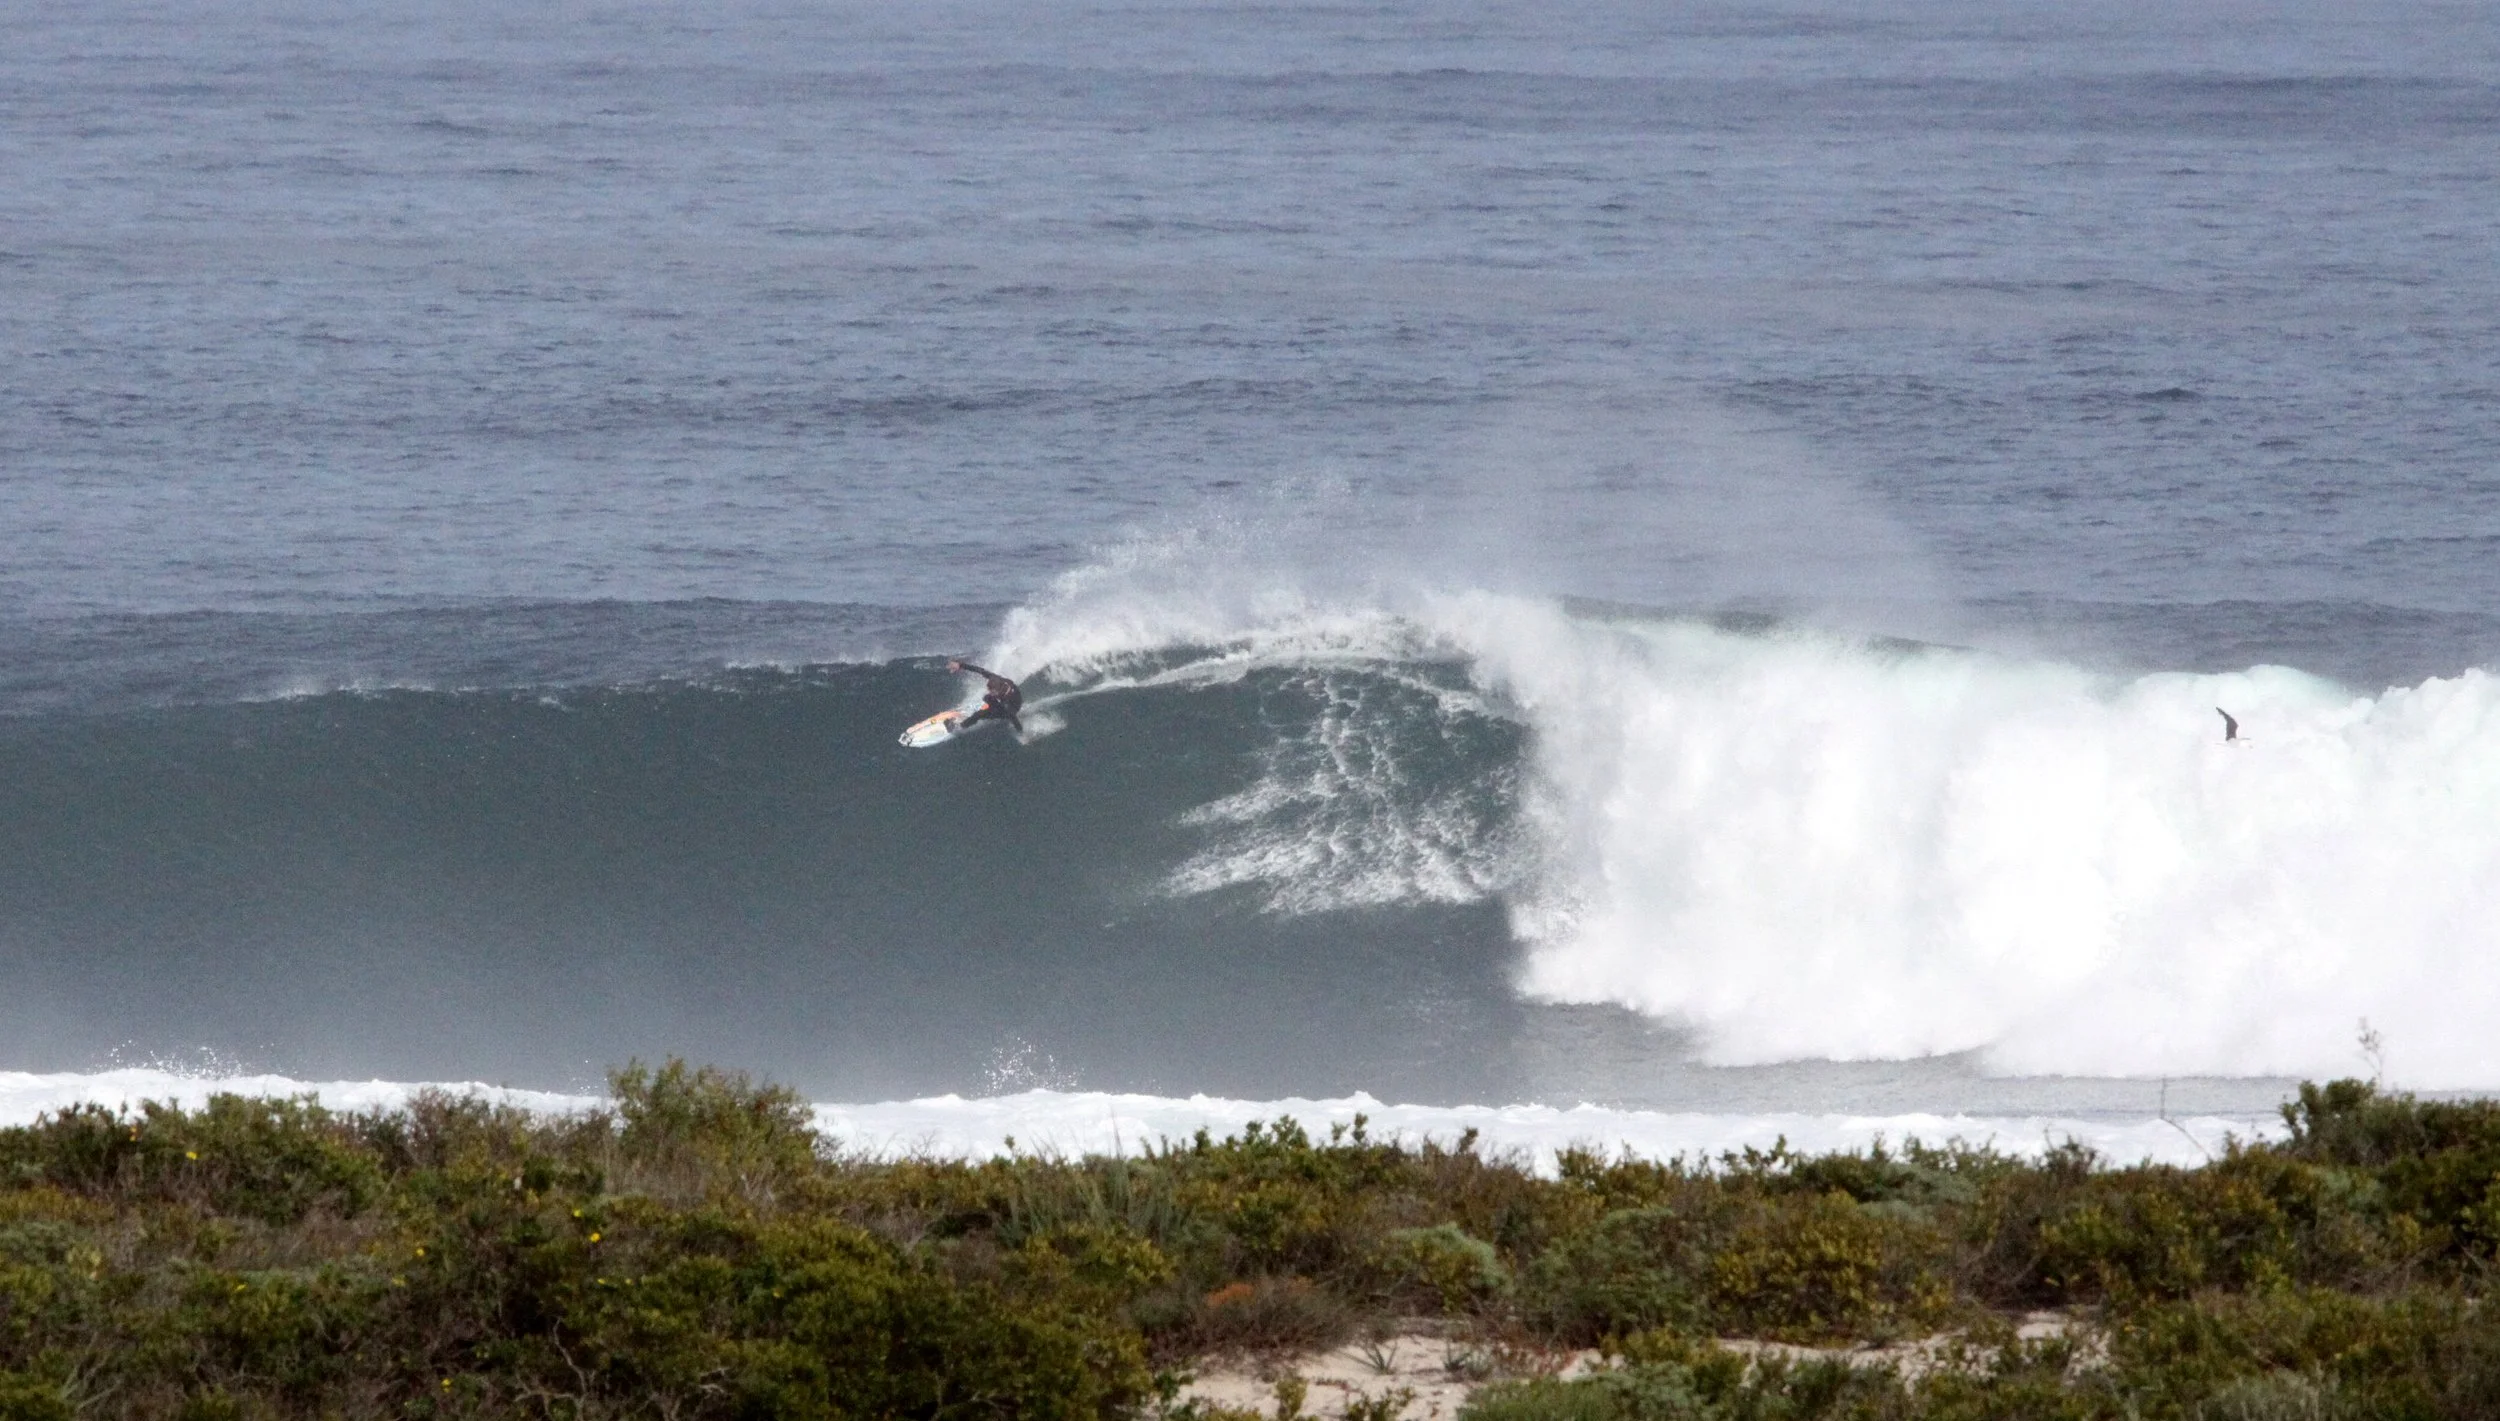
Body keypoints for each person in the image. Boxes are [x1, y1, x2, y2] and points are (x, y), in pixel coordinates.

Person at [949, 660, 1023, 734]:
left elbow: (1014, 718)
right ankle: (975, 711)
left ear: (998, 690)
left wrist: (1021, 734)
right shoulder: (994, 678)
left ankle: (959, 727)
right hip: (1008, 696)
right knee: (986, 697)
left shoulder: (1006, 703)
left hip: (1013, 706)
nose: (989, 691)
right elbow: (979, 670)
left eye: (992, 691)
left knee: (979, 714)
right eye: (989, 690)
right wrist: (960, 665)